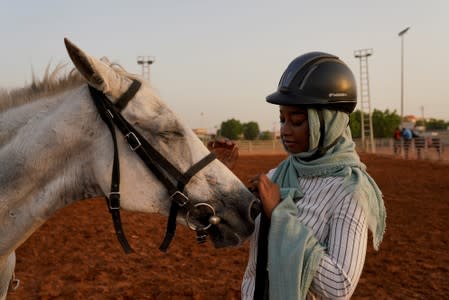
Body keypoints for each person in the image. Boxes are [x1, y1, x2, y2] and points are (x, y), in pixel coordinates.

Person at [239, 52, 386, 300]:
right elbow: (238, 233)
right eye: (282, 119)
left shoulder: (349, 191)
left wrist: (280, 216)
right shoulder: (278, 175)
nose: (285, 130)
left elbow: (339, 286)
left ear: (327, 123)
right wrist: (218, 178)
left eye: (296, 121)